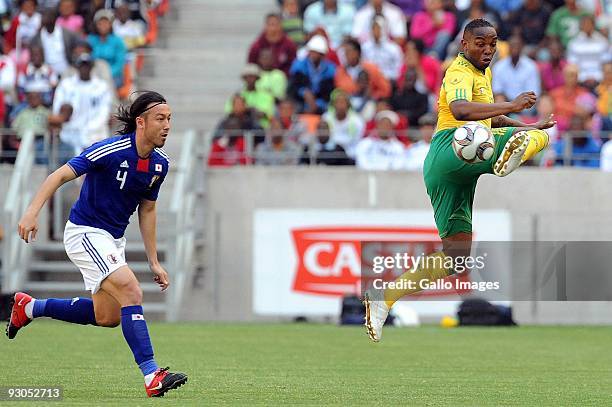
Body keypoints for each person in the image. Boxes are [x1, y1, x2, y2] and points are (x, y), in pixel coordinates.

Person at [363, 18, 555, 343]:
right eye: (481, 43)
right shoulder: (458, 71)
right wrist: (513, 106)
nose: (488, 50)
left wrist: (527, 125)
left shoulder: (485, 73)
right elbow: (461, 110)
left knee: (456, 258)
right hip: (448, 151)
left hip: (458, 168)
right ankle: (502, 160)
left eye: (493, 44)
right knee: (484, 136)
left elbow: (491, 116)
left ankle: (383, 300)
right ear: (464, 44)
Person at [6, 91, 188, 397]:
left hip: (111, 239)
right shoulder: (111, 150)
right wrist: (31, 211)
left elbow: (148, 209)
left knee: (108, 317)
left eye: (169, 118)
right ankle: (151, 375)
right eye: (160, 118)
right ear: (140, 123)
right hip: (85, 232)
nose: (167, 125)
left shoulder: (159, 165)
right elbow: (60, 175)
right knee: (132, 291)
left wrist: (154, 261)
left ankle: (30, 308)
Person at [52, 53, 112, 155]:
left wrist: (89, 129)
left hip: (95, 136)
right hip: (70, 136)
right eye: (82, 65)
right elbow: (57, 108)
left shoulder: (101, 87)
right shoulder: (66, 85)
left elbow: (104, 112)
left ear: (92, 67)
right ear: (77, 67)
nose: (84, 68)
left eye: (87, 65)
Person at [288, 35, 336, 113]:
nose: (313, 55)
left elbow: (328, 91)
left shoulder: (330, 69)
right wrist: (304, 92)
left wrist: (316, 103)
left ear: (322, 54)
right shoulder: (299, 66)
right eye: (312, 51)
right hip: (300, 101)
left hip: (321, 102)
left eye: (316, 52)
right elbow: (294, 86)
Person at [492, 35, 541, 102]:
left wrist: (519, 104)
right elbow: (497, 90)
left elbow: (534, 91)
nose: (515, 48)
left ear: (522, 47)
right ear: (508, 47)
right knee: (499, 99)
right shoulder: (499, 66)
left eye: (517, 46)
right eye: (512, 46)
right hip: (506, 104)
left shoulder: (531, 66)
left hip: (526, 103)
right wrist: (512, 105)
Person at [88, 9, 127, 88]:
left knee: (104, 85)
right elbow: (88, 59)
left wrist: (106, 74)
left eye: (106, 23)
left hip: (113, 75)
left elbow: (119, 65)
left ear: (110, 24)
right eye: (100, 23)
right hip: (94, 73)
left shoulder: (118, 41)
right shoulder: (90, 40)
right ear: (96, 25)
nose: (103, 26)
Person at [361, 16, 403, 82]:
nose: (375, 32)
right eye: (373, 29)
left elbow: (399, 69)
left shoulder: (394, 48)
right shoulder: (365, 47)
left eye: (378, 28)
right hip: (370, 80)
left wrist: (383, 76)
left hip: (389, 80)